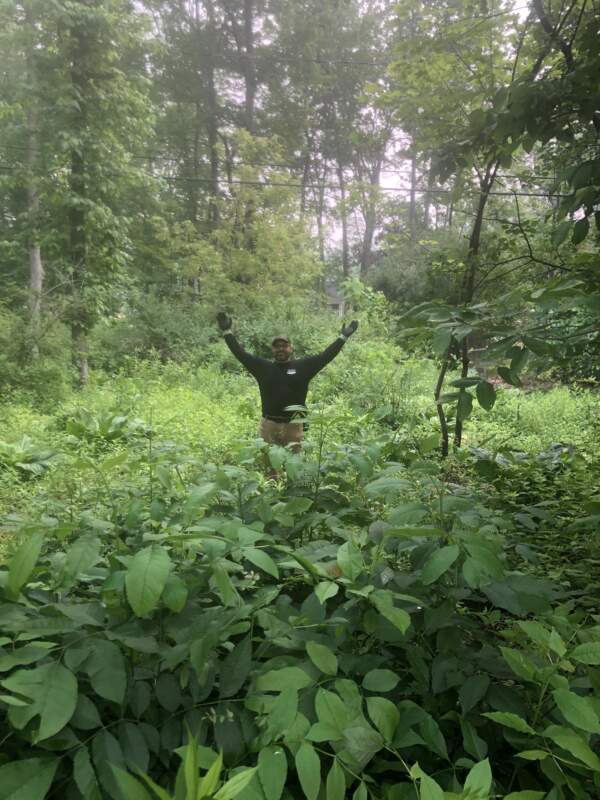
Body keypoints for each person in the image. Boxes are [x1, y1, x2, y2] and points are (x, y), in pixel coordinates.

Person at [217, 312, 358, 451]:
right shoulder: (262, 368)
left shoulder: (303, 367)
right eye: (277, 346)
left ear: (291, 348)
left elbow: (325, 356)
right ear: (272, 349)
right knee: (270, 469)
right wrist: (227, 332)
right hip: (269, 425)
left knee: (294, 467)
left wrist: (343, 337)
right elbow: (240, 354)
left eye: (284, 346)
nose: (280, 349)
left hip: (294, 426)